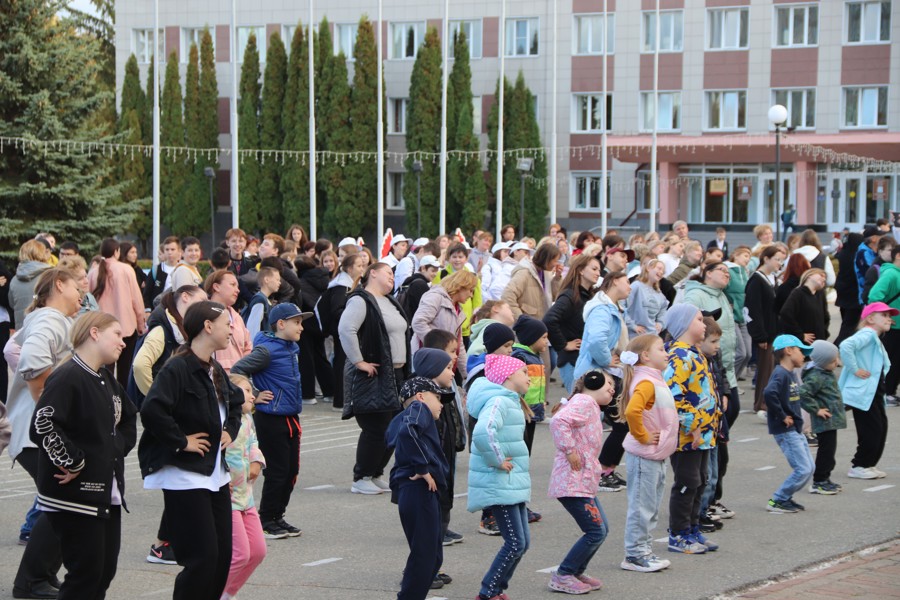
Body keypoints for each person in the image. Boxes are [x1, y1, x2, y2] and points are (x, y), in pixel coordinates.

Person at [138, 301, 244, 600]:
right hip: (184, 475)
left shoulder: (214, 368)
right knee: (202, 558)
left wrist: (229, 430)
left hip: (214, 475)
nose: (231, 328)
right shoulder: (178, 367)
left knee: (222, 558)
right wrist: (181, 440)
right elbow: (152, 410)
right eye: (226, 323)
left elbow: (236, 403)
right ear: (208, 327)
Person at [28, 311, 137, 600]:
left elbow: (127, 418)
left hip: (105, 493)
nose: (123, 343)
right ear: (94, 333)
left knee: (103, 573)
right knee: (85, 575)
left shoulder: (106, 379)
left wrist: (112, 450)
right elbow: (42, 424)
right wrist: (73, 460)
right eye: (117, 334)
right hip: (75, 496)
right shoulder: (68, 376)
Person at [8, 269, 83, 600]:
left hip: (36, 432)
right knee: (63, 503)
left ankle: (43, 576)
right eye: (77, 285)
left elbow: (13, 347)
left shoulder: (50, 319)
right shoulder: (49, 318)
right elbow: (31, 359)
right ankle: (31, 581)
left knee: (66, 504)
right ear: (59, 285)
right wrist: (48, 404)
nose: (82, 291)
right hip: (37, 433)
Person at [232, 304, 309, 539]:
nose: (301, 327)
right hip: (271, 419)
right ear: (281, 324)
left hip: (290, 417)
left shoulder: (290, 347)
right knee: (277, 471)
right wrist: (254, 394)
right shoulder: (266, 351)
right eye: (297, 322)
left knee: (291, 471)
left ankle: (278, 516)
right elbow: (237, 370)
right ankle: (266, 519)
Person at [338, 263, 409, 495]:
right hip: (373, 373)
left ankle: (376, 472)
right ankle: (361, 477)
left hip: (396, 373)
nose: (392, 277)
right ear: (373, 273)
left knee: (394, 427)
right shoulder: (361, 300)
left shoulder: (390, 301)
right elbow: (346, 329)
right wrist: (359, 362)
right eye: (388, 272)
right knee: (376, 427)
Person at [467, 354, 532, 600]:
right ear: (508, 375)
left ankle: (497, 590)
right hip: (499, 482)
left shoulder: (509, 401)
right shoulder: (498, 401)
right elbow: (483, 431)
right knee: (515, 542)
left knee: (522, 543)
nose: (529, 377)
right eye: (524, 372)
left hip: (510, 483)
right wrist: (497, 459)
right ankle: (488, 593)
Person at [545, 370, 613, 594]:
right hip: (572, 482)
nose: (612, 389)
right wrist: (570, 450)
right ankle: (564, 574)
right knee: (596, 530)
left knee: (601, 528)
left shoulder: (588, 405)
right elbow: (559, 421)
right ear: (595, 384)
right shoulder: (584, 401)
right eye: (608, 385)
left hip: (582, 482)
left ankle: (575, 571)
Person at [386, 376, 450, 600]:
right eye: (438, 397)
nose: (441, 404)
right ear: (422, 396)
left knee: (432, 555)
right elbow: (407, 432)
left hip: (418, 492)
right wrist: (423, 467)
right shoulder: (418, 408)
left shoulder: (412, 414)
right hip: (417, 489)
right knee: (425, 554)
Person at [662, 304, 719, 554]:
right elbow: (675, 395)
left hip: (704, 432)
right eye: (699, 319)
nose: (704, 324)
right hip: (688, 434)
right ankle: (679, 533)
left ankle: (693, 528)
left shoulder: (694, 353)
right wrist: (692, 426)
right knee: (687, 483)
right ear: (684, 325)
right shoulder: (679, 355)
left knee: (701, 481)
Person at [618, 334, 677, 573]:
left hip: (655, 453)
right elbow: (633, 412)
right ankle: (634, 554)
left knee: (650, 505)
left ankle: (644, 550)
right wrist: (642, 436)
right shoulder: (646, 381)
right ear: (645, 356)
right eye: (661, 349)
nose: (666, 353)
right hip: (645, 453)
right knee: (642, 505)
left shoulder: (653, 379)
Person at [574, 271, 631, 493]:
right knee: (619, 422)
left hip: (604, 372)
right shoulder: (601, 309)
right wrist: (608, 359)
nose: (630, 287)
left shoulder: (610, 307)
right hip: (596, 374)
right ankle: (601, 472)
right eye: (627, 281)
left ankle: (604, 470)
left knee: (617, 422)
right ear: (615, 281)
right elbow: (597, 340)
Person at [221, 374, 267, 600]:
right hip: (228, 499)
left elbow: (253, 443)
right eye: (246, 391)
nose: (252, 395)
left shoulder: (248, 419)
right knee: (240, 554)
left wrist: (257, 461)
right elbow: (214, 453)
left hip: (246, 496)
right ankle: (216, 592)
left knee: (258, 551)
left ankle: (228, 593)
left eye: (251, 391)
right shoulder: (222, 421)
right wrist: (220, 477)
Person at [839, 302, 896, 480]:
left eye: (889, 316)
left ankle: (868, 464)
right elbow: (846, 345)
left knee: (880, 427)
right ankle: (860, 465)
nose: (889, 319)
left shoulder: (874, 337)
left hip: (873, 392)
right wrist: (855, 369)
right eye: (884, 315)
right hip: (863, 393)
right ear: (870, 319)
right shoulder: (867, 334)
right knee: (872, 429)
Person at [764, 334, 814, 513]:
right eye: (801, 351)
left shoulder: (790, 373)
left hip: (795, 428)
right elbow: (769, 393)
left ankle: (785, 498)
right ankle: (778, 499)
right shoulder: (780, 373)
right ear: (788, 350)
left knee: (809, 467)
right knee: (803, 469)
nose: (804, 356)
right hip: (786, 429)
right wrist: (783, 415)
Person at [88, 239, 147, 388]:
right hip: (126, 327)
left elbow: (88, 300)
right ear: (117, 252)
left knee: (104, 369)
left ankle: (105, 396)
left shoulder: (93, 272)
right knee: (125, 371)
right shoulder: (126, 269)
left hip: (101, 328)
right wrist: (141, 324)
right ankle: (122, 401)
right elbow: (137, 301)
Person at [543, 254, 600, 392]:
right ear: (581, 270)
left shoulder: (588, 296)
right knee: (579, 403)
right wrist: (563, 344)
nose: (598, 273)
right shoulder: (569, 295)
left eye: (599, 270)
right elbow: (549, 319)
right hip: (572, 361)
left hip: (585, 359)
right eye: (594, 269)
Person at [318, 253, 366, 412]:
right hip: (339, 330)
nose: (362, 268)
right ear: (350, 268)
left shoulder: (346, 283)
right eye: (359, 265)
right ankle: (340, 401)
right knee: (341, 363)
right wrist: (352, 319)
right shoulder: (341, 286)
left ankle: (342, 399)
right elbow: (336, 310)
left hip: (341, 329)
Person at [799, 341, 846, 495]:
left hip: (831, 420)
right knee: (826, 451)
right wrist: (816, 410)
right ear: (822, 362)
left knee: (830, 451)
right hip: (824, 421)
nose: (837, 363)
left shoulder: (823, 371)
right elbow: (803, 393)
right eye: (833, 361)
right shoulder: (816, 376)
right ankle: (819, 481)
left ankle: (825, 478)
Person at [745, 245, 786, 416]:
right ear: (766, 259)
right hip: (766, 334)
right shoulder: (756, 280)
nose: (779, 263)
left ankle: (768, 401)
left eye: (782, 260)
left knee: (772, 368)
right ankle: (761, 403)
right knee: (765, 369)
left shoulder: (773, 279)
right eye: (777, 259)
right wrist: (760, 335)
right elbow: (753, 310)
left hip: (774, 332)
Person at [432, 243, 483, 348]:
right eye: (454, 257)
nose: (457, 260)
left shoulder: (473, 277)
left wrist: (474, 320)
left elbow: (477, 301)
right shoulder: (441, 274)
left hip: (465, 326)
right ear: (448, 258)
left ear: (466, 258)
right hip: (445, 323)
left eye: (460, 257)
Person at [867, 244, 900, 405]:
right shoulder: (891, 274)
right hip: (893, 327)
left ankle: (889, 392)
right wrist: (885, 316)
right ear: (898, 256)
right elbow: (874, 296)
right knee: (891, 360)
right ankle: (886, 393)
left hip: (896, 326)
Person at [512, 315, 549, 449]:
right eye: (544, 337)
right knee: (521, 446)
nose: (547, 341)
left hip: (532, 410)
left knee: (527, 447)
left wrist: (541, 402)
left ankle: (523, 468)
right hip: (522, 410)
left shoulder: (535, 357)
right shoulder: (520, 357)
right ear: (532, 338)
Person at [203, 271, 252, 373]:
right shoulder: (203, 314)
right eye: (232, 285)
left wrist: (244, 369)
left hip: (239, 378)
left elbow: (248, 346)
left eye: (237, 286)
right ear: (216, 287)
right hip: (216, 377)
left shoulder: (237, 317)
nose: (238, 290)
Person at [9, 239, 53, 330]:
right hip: (45, 328)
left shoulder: (14, 280)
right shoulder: (50, 275)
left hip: (22, 332)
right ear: (41, 253)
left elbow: (12, 303)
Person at [779, 268, 829, 345]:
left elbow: (825, 317)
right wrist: (799, 335)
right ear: (809, 276)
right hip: (803, 343)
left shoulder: (820, 294)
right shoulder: (798, 293)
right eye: (821, 275)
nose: (824, 279)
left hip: (819, 341)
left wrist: (824, 332)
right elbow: (785, 314)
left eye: (825, 278)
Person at [724, 246, 752, 380]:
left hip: (743, 317)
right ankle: (728, 382)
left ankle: (732, 382)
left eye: (750, 257)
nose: (748, 259)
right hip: (732, 316)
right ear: (736, 255)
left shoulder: (745, 272)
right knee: (741, 353)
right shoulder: (727, 270)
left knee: (748, 354)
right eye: (746, 256)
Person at [834, 232, 865, 345]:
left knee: (846, 323)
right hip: (853, 296)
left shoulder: (843, 253)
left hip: (843, 294)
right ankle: (836, 347)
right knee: (849, 326)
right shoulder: (856, 256)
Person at [624, 258, 668, 339]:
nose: (661, 272)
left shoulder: (660, 295)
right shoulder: (636, 286)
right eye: (659, 268)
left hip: (652, 336)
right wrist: (633, 326)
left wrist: (660, 324)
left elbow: (663, 312)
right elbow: (622, 307)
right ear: (648, 268)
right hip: (634, 337)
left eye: (663, 271)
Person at [240, 266, 281, 341]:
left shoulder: (264, 299)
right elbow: (253, 328)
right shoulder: (259, 300)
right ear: (266, 280)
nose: (279, 282)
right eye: (277, 279)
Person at [396, 255, 440, 321]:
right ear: (423, 268)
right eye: (433, 271)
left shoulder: (413, 280)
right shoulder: (420, 284)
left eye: (436, 271)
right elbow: (424, 310)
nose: (435, 274)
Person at [144, 237, 182, 309]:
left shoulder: (183, 269)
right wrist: (147, 309)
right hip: (160, 309)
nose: (169, 252)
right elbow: (147, 292)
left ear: (179, 251)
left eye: (172, 249)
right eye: (167, 250)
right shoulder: (157, 269)